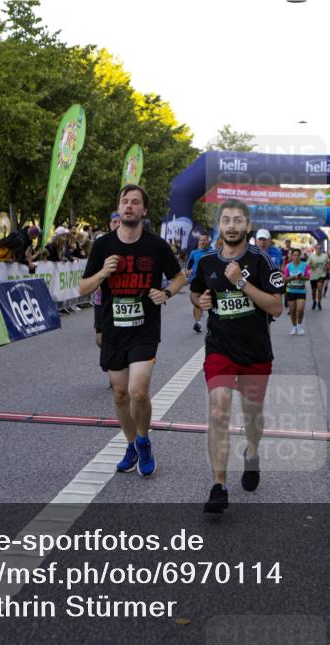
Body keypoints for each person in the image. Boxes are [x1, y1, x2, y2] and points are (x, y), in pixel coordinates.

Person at [80, 184, 186, 476]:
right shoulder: (102, 245)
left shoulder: (156, 246)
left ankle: (144, 441)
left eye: (135, 202)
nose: (129, 206)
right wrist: (103, 272)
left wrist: (166, 293)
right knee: (120, 395)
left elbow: (179, 277)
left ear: (144, 210)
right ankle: (131, 443)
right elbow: (84, 287)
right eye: (124, 201)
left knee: (138, 392)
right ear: (119, 207)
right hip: (114, 330)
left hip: (145, 329)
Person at [189, 199, 284, 513]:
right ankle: (219, 485)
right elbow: (197, 291)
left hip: (256, 352)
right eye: (226, 220)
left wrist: (240, 282)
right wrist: (201, 300)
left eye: (237, 220)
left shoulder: (262, 261)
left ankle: (252, 453)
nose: (231, 226)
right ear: (220, 225)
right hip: (221, 349)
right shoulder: (205, 263)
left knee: (252, 416)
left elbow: (276, 308)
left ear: (247, 226)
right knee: (218, 412)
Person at [93, 214, 121, 351]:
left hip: (120, 296)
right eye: (114, 222)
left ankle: (119, 360)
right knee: (99, 339)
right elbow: (92, 269)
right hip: (101, 298)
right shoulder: (101, 244)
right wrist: (97, 282)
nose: (116, 224)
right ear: (110, 224)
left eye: (119, 221)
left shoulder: (128, 243)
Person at [186, 233, 212, 333]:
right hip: (196, 279)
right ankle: (198, 323)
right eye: (200, 240)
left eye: (204, 240)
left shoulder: (212, 251)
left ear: (208, 241)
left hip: (209, 279)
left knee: (211, 301)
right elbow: (188, 267)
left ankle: (213, 321)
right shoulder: (194, 252)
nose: (202, 242)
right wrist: (188, 272)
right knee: (196, 300)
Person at [284, 248, 310, 335]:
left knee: (300, 309)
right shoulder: (288, 266)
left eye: (298, 255)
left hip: (301, 290)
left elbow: (308, 277)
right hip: (291, 290)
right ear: (291, 256)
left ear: (300, 256)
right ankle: (294, 327)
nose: (296, 257)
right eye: (294, 255)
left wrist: (302, 277)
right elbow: (285, 279)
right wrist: (292, 277)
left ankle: (299, 326)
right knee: (292, 310)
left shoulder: (305, 265)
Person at [308, 243, 329, 310]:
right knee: (313, 290)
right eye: (317, 248)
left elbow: (329, 264)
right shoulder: (311, 256)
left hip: (322, 275)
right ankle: (314, 301)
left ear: (321, 249)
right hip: (313, 276)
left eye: (320, 248)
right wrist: (311, 266)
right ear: (315, 249)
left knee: (320, 288)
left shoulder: (325, 256)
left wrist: (327, 267)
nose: (319, 249)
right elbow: (307, 265)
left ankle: (319, 302)